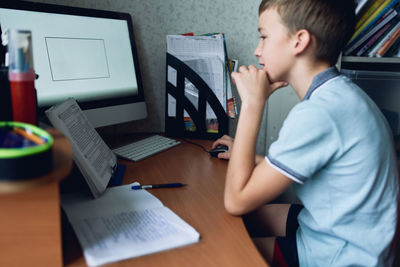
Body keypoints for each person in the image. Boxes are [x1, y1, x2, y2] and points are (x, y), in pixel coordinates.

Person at [212, 0, 399, 266]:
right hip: (349, 236)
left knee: (224, 247)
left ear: (299, 41)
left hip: (342, 257)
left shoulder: (319, 113)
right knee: (242, 221)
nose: (257, 50)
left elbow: (236, 200)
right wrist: (248, 155)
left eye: (264, 37)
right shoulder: (341, 95)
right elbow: (310, 169)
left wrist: (253, 103)